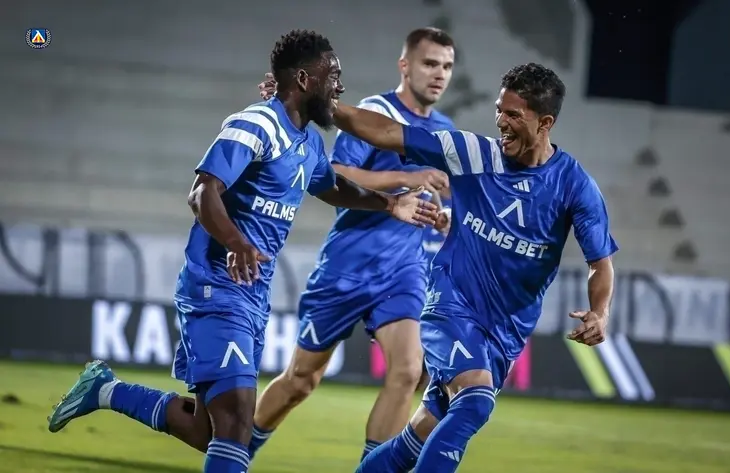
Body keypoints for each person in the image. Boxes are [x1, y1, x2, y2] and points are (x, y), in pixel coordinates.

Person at [46, 29, 438, 473]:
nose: (340, 87)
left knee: (210, 431)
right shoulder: (256, 124)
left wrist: (390, 204)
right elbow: (202, 192)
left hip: (252, 294)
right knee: (235, 423)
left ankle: (105, 390)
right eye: (333, 76)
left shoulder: (308, 142)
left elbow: (332, 187)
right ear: (305, 79)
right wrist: (235, 242)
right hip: (216, 286)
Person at [328, 62, 619, 472]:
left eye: (513, 114)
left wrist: (600, 312)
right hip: (452, 304)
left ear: (545, 123)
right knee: (475, 401)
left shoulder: (574, 186)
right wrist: (323, 104)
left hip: (505, 332)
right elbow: (387, 132)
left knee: (419, 435)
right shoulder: (471, 154)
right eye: (499, 110)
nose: (501, 122)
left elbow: (600, 263)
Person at [248, 26, 457, 463]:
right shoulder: (376, 112)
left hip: (403, 271)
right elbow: (335, 175)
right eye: (430, 63)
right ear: (405, 66)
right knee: (301, 380)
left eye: (447, 66)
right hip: (347, 267)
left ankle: (372, 469)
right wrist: (405, 178)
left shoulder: (444, 131)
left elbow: (440, 195)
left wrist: (443, 217)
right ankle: (238, 448)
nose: (439, 74)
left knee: (408, 371)